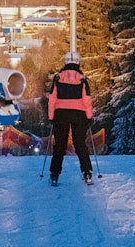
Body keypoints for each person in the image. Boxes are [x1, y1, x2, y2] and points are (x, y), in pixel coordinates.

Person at [47, 50, 93, 186]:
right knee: (80, 144)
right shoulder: (82, 79)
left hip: (61, 113)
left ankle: (55, 174)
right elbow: (87, 99)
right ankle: (87, 172)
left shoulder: (58, 78)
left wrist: (51, 117)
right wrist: (89, 117)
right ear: (78, 62)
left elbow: (52, 99)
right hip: (79, 113)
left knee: (60, 145)